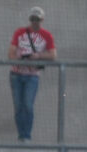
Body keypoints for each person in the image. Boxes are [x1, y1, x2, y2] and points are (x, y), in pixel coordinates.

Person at [8, 7, 56, 142]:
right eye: (33, 19)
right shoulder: (19, 32)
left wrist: (38, 56)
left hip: (32, 75)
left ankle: (26, 135)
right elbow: (11, 52)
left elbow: (53, 55)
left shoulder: (47, 35)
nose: (35, 22)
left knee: (28, 105)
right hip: (16, 73)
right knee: (18, 106)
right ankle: (21, 135)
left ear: (42, 20)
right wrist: (20, 58)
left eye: (38, 20)